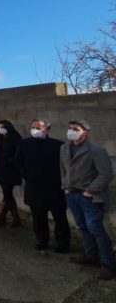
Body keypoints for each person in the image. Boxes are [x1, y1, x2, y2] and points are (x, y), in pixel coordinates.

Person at [60, 119, 116, 280]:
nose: (72, 131)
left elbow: (106, 174)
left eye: (76, 129)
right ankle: (90, 257)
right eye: (70, 128)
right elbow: (63, 170)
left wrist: (90, 190)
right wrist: (66, 187)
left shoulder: (96, 150)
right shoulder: (64, 148)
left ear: (86, 132)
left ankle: (109, 265)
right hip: (72, 195)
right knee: (83, 227)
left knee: (96, 229)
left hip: (90, 197)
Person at [15, 118, 70, 252]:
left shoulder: (58, 145)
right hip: (34, 187)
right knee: (38, 218)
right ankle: (42, 240)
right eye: (33, 127)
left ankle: (62, 244)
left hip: (54, 188)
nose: (35, 130)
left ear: (47, 129)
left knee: (60, 217)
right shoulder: (24, 144)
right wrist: (27, 175)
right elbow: (18, 162)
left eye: (38, 128)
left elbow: (65, 166)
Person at [0, 120, 22, 226]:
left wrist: (6, 162)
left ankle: (3, 217)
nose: (0, 129)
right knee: (8, 195)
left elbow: (18, 155)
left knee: (7, 193)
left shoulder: (15, 138)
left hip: (10, 172)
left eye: (2, 127)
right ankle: (14, 219)